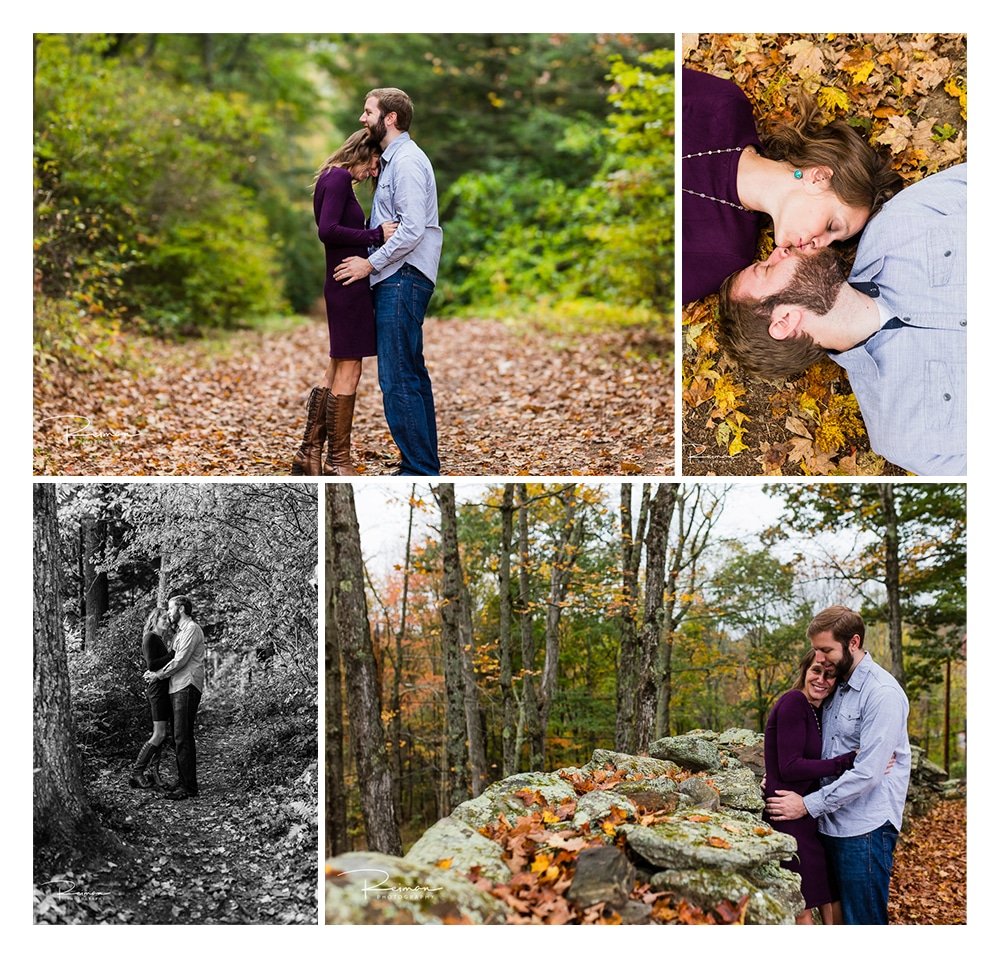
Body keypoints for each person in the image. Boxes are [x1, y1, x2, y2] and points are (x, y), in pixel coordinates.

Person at [717, 163, 966, 476]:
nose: (779, 249)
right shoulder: (903, 434)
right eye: (767, 269)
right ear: (784, 322)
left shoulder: (898, 224)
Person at [682, 67, 900, 304]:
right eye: (832, 226)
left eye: (832, 242)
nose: (820, 245)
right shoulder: (724, 105)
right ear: (818, 177)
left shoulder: (724, 255)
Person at [766, 606, 911, 925]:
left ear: (854, 642)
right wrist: (777, 773)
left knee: (863, 922)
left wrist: (806, 804)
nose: (820, 657)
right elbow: (811, 750)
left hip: (864, 829)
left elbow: (868, 773)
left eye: (826, 649)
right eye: (817, 650)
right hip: (827, 823)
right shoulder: (835, 687)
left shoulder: (881, 693)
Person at [333, 87, 443, 476]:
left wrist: (369, 264)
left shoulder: (408, 162)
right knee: (409, 373)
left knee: (397, 377)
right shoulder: (394, 161)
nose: (363, 119)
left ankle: (419, 469)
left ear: (390, 118)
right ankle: (421, 462)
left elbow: (412, 229)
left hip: (402, 276)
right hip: (399, 276)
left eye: (368, 112)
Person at [290, 130, 398, 476]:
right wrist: (375, 234)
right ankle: (338, 461)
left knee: (336, 367)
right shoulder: (337, 178)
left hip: (342, 282)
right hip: (347, 283)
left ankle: (309, 454)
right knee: (350, 369)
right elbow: (328, 230)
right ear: (363, 154)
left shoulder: (331, 178)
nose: (373, 172)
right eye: (374, 164)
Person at [763, 650, 856, 924]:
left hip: (805, 814)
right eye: (816, 671)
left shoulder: (817, 711)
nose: (822, 679)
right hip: (786, 814)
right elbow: (790, 766)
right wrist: (846, 762)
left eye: (830, 675)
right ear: (805, 671)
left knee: (827, 893)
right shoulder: (794, 702)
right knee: (804, 903)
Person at [144, 595, 206, 801]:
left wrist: (158, 674)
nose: (169, 613)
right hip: (177, 687)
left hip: (186, 685)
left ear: (180, 608)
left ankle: (189, 787)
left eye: (170, 609)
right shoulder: (180, 632)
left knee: (182, 736)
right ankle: (184, 781)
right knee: (180, 736)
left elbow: (180, 660)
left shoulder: (191, 629)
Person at [128, 607, 174, 789]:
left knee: (162, 735)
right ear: (154, 619)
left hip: (163, 689)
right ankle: (136, 773)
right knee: (159, 733)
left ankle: (154, 774)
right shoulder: (150, 637)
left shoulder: (159, 639)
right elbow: (152, 664)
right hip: (157, 690)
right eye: (162, 618)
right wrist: (172, 655)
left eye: (167, 618)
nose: (166, 621)